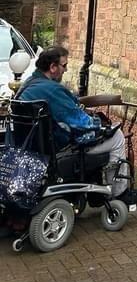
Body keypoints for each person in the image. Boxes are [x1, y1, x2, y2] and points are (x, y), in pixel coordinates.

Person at [16, 45, 128, 198]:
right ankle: (118, 193)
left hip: (29, 147)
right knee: (117, 136)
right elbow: (81, 123)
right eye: (64, 65)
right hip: (57, 149)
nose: (66, 69)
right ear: (53, 67)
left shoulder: (27, 84)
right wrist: (101, 126)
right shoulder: (52, 90)